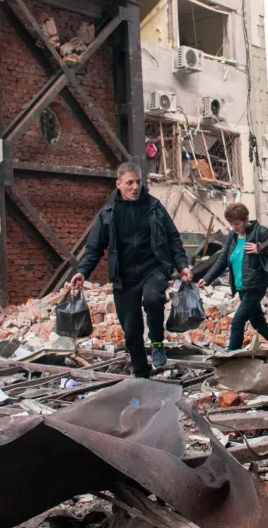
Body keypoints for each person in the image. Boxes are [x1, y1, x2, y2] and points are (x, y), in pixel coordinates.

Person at [71, 162, 192, 378]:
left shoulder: (154, 207)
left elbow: (173, 238)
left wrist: (182, 265)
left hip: (153, 269)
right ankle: (142, 375)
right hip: (124, 277)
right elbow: (94, 248)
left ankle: (156, 341)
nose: (135, 187)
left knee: (154, 300)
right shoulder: (109, 212)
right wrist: (83, 272)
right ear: (119, 184)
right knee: (131, 331)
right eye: (129, 183)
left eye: (138, 182)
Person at [198, 202, 268, 351]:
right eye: (231, 224)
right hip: (241, 287)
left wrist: (261, 249)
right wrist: (207, 278)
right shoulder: (233, 236)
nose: (235, 227)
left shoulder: (260, 232)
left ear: (246, 219)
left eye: (238, 223)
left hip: (256, 286)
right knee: (258, 323)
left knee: (237, 321)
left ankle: (232, 357)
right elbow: (223, 259)